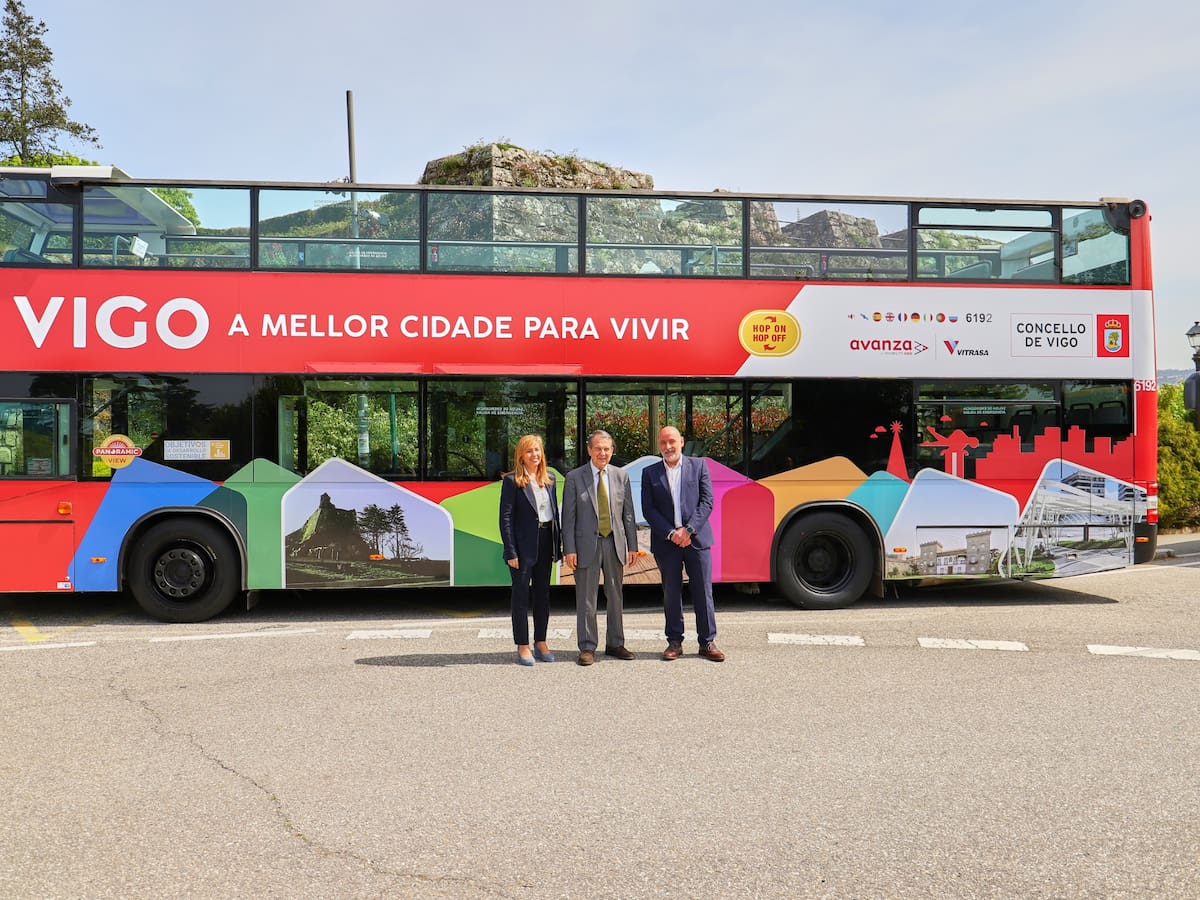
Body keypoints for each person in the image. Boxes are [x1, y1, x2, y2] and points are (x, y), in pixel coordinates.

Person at [640, 425, 724, 662]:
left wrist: (688, 530)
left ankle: (707, 642)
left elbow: (707, 501)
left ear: (682, 442)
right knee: (671, 592)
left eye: (672, 442)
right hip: (667, 543)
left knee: (703, 591)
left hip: (696, 539)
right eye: (663, 443)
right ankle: (674, 642)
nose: (668, 447)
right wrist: (671, 533)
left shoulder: (699, 466)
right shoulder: (650, 473)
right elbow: (648, 509)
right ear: (659, 445)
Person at [561, 430, 638, 666]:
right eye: (598, 449)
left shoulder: (621, 476)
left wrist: (632, 546)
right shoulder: (574, 478)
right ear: (589, 450)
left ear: (612, 451)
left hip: (614, 543)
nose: (602, 453)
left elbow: (628, 515)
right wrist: (569, 549)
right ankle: (587, 646)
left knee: (615, 596)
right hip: (585, 545)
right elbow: (568, 518)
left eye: (607, 449)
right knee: (587, 598)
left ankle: (615, 643)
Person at [499, 434, 562, 666]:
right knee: (521, 596)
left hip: (546, 541)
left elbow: (555, 514)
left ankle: (541, 642)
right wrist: (511, 551)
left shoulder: (550, 479)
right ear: (521, 456)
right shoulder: (512, 481)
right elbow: (505, 519)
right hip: (523, 546)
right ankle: (523, 645)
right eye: (529, 451)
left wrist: (558, 545)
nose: (534, 454)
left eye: (537, 450)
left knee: (543, 595)